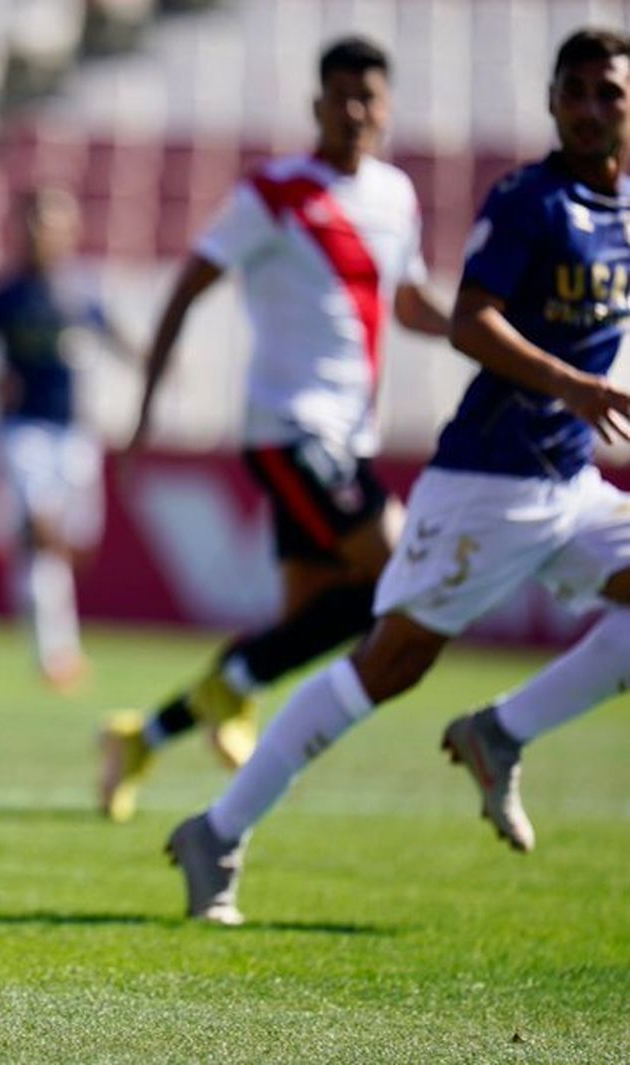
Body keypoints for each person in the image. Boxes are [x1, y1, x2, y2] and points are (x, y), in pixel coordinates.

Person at [168, 27, 630, 925]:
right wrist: (572, 385)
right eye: (573, 90)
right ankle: (216, 830)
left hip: (570, 482)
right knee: (387, 666)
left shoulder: (620, 212)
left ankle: (502, 730)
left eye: (607, 91)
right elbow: (470, 321)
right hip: (487, 484)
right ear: (549, 102)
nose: (589, 107)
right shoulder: (530, 201)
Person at [98, 36, 449, 822]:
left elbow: (411, 302)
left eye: (369, 97)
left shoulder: (396, 196)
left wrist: (492, 337)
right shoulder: (274, 192)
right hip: (290, 429)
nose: (355, 110)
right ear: (317, 104)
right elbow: (187, 288)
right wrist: (145, 411)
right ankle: (235, 688)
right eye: (341, 95)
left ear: (387, 108)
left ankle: (144, 735)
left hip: (349, 438)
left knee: (304, 623)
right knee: (397, 574)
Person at [0, 186, 136, 690]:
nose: (42, 234)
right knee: (42, 537)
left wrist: (155, 365)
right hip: (21, 430)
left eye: (53, 223)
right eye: (35, 223)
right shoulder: (7, 293)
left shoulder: (81, 290)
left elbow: (115, 335)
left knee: (73, 540)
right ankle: (56, 655)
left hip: (75, 431)